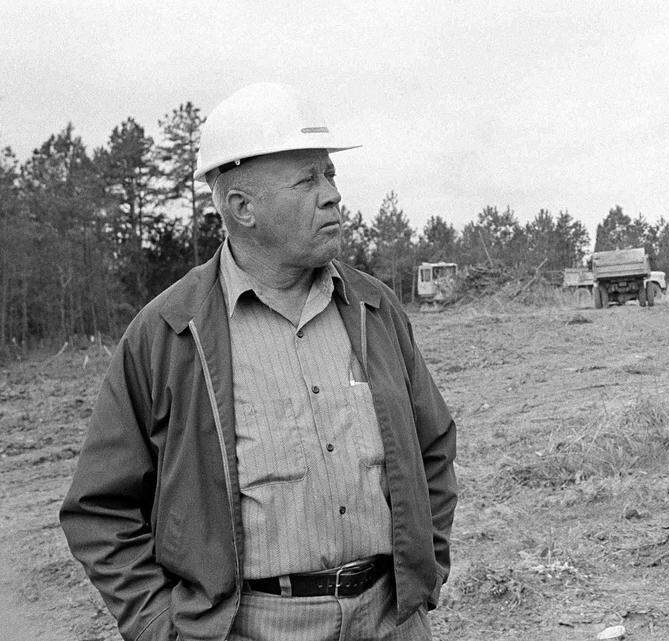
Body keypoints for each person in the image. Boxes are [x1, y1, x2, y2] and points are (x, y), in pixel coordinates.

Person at [59, 83, 457, 641]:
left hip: (390, 618)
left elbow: (433, 445)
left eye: (330, 174)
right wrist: (159, 626)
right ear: (242, 207)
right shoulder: (170, 332)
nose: (332, 196)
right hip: (253, 625)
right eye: (307, 180)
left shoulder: (374, 308)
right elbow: (100, 509)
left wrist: (426, 567)